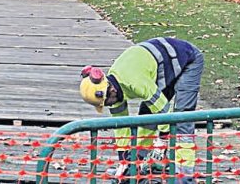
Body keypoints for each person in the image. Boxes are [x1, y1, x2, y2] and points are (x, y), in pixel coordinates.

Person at [79, 37, 205, 183]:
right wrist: (125, 161)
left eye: (106, 102)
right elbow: (121, 126)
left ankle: (184, 176)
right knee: (147, 116)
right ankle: (139, 164)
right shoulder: (111, 90)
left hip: (187, 60)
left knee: (182, 119)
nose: (107, 105)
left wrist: (162, 140)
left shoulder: (134, 82)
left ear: (110, 90)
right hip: (163, 66)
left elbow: (164, 109)